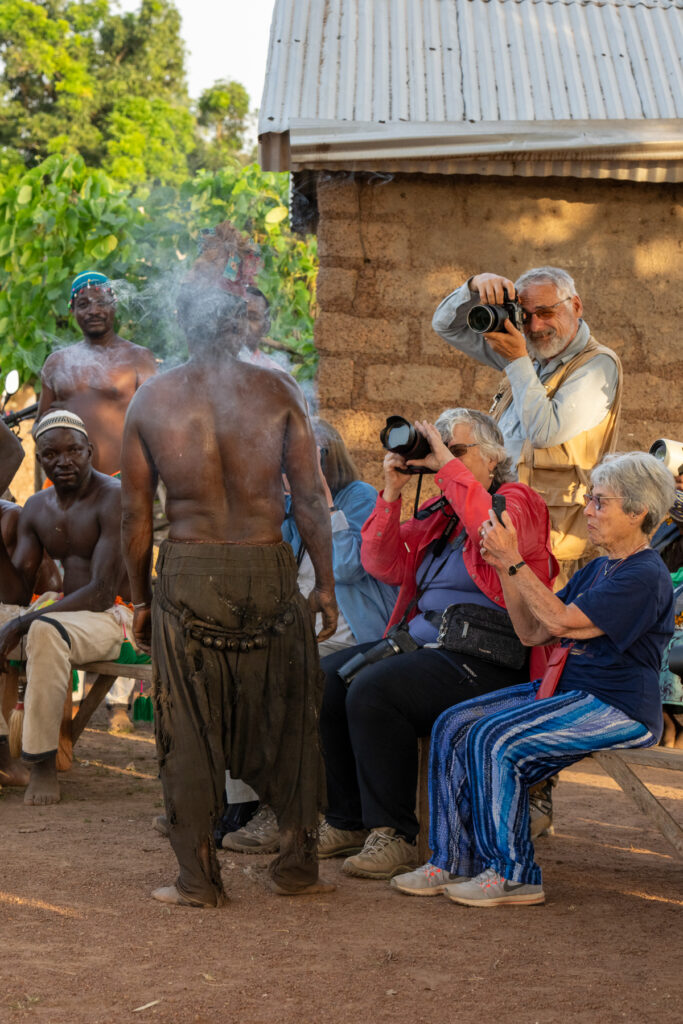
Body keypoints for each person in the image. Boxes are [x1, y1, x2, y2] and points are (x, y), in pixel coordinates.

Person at [120, 283, 337, 908]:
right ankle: (298, 866)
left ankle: (197, 880)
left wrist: (140, 600)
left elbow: (135, 516)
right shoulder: (279, 393)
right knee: (290, 713)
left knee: (186, 727)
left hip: (189, 569)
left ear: (182, 325)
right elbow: (312, 498)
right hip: (267, 564)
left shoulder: (152, 401)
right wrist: (322, 585)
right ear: (239, 329)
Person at [391, 451, 674, 907]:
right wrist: (505, 566)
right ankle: (452, 860)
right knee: (453, 723)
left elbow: (559, 622)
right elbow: (532, 630)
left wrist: (515, 560)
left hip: (617, 707)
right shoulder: (602, 569)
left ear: (638, 512)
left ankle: (514, 874)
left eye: (601, 502)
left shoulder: (644, 574)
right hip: (572, 693)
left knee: (492, 738)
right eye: (590, 499)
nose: (589, 510)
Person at [317, 408, 557, 880]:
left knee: (376, 690)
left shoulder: (518, 501)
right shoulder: (440, 514)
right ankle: (346, 820)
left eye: (457, 449)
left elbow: (486, 529)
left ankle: (395, 834)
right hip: (426, 645)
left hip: (490, 656)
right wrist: (391, 493)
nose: (443, 457)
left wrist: (445, 468)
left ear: (492, 459)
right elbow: (381, 563)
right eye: (440, 447)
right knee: (326, 679)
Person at [223, 417, 396, 855]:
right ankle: (240, 805)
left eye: (295, 460)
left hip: (354, 634)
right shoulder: (291, 505)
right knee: (236, 672)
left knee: (278, 679)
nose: (286, 468)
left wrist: (321, 501)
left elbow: (348, 567)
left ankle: (279, 808)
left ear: (324, 460)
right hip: (302, 630)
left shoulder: (358, 498)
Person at [432, 267, 622, 587]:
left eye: (546, 312)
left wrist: (518, 359)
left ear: (575, 306)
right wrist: (475, 286)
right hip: (505, 535)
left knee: (536, 633)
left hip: (552, 550)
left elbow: (544, 432)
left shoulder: (597, 365)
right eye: (526, 315)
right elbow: (445, 326)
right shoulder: (530, 357)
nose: (535, 326)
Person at [37, 270, 157, 729]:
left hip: (125, 487)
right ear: (72, 311)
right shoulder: (57, 362)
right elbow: (45, 423)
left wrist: (139, 482)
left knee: (125, 584)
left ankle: (118, 701)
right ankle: (54, 688)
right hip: (65, 494)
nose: (92, 310)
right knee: (68, 580)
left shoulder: (138, 360)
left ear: (114, 305)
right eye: (82, 303)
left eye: (100, 301)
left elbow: (155, 424)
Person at [0, 410, 133, 805]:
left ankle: (41, 764)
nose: (63, 461)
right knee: (39, 627)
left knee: (41, 631)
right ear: (39, 459)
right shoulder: (37, 507)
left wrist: (25, 622)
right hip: (58, 613)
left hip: (113, 617)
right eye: (51, 454)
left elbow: (102, 592)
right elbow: (18, 592)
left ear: (90, 450)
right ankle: (3, 751)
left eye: (73, 450)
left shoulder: (113, 498)